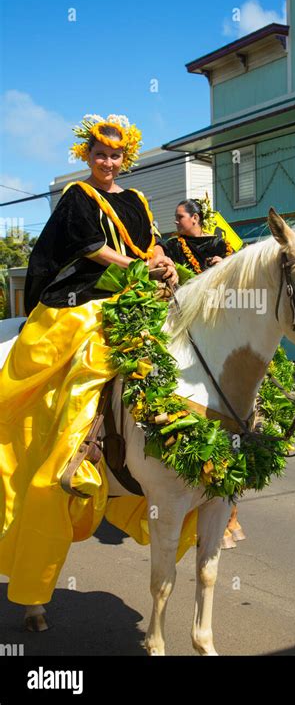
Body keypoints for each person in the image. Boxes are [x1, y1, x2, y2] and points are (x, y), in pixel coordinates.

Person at [0, 115, 200, 609]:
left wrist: (163, 259)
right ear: (86, 157)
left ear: (124, 159)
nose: (107, 163)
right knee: (89, 358)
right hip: (86, 295)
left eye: (115, 157)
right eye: (99, 156)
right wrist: (136, 265)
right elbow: (90, 248)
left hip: (138, 290)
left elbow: (150, 241)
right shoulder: (77, 197)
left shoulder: (135, 200)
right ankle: (75, 449)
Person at [166, 199, 246, 550]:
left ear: (195, 218)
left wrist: (224, 266)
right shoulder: (171, 246)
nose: (177, 222)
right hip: (185, 323)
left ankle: (230, 513)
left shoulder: (220, 243)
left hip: (220, 322)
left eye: (180, 217)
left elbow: (241, 275)